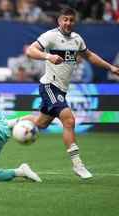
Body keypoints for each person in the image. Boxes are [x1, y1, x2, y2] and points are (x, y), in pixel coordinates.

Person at [10, 7, 119, 179]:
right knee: (69, 120)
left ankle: (11, 123)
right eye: (65, 20)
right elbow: (31, 50)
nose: (68, 23)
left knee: (41, 123)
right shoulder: (51, 36)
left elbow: (89, 56)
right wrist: (49, 57)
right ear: (59, 21)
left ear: (74, 22)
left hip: (61, 89)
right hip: (49, 86)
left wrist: (111, 67)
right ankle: (78, 165)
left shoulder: (77, 39)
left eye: (71, 20)